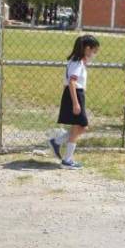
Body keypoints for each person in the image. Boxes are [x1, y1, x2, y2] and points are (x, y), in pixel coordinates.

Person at [49, 35, 100, 169]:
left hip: (76, 94)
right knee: (82, 126)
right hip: (74, 94)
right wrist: (76, 103)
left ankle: (57, 142)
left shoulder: (78, 61)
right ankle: (66, 159)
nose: (94, 54)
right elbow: (72, 82)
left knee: (78, 127)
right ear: (87, 48)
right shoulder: (76, 62)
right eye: (94, 51)